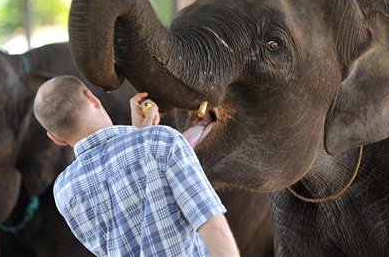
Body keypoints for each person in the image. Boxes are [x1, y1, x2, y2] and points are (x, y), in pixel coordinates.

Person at [33, 75, 240, 257]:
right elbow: (213, 227)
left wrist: (140, 135)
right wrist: (144, 137)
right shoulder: (160, 141)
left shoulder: (64, 192)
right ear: (91, 97)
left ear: (55, 138)